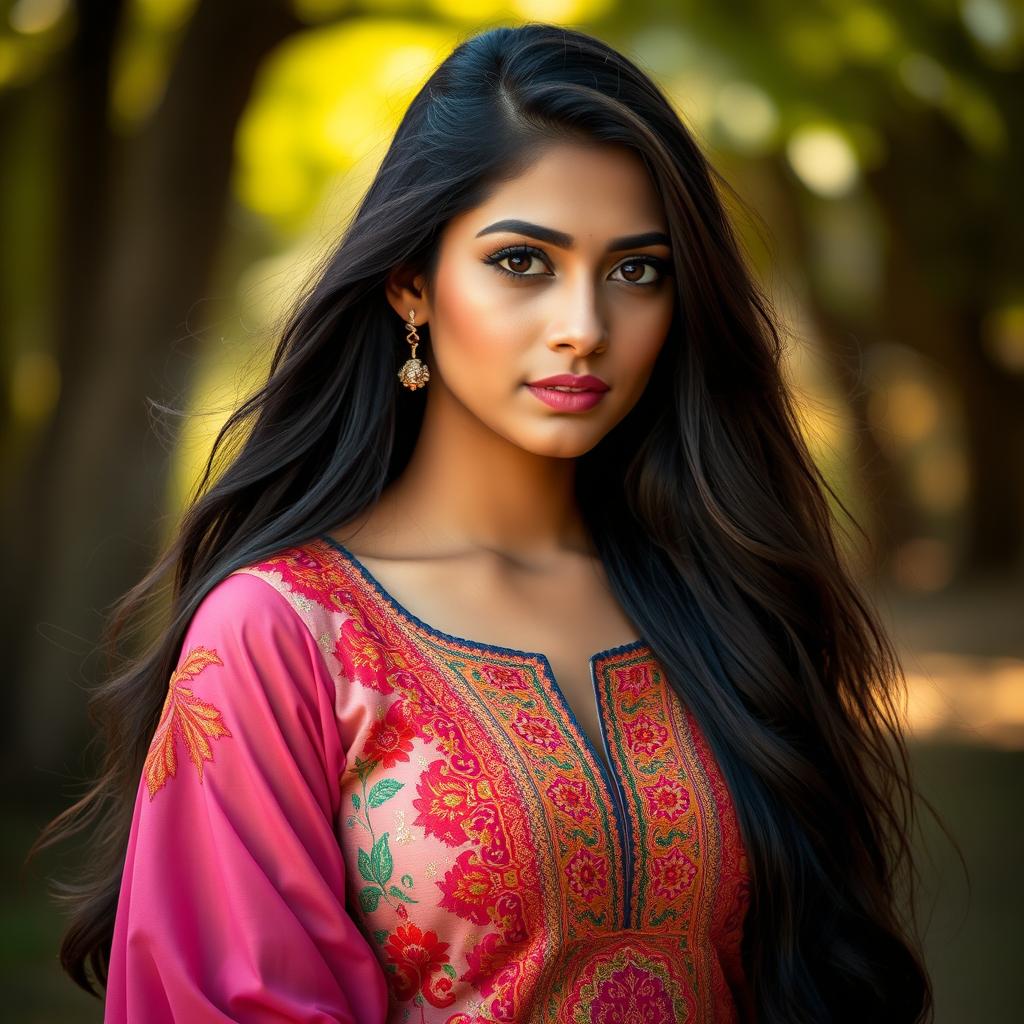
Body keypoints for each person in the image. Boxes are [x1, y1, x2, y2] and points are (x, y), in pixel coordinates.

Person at [36, 22, 933, 1023]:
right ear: (410, 280)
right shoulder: (284, 635)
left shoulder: (723, 591)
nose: (584, 326)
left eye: (636, 270)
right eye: (522, 262)